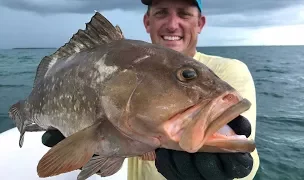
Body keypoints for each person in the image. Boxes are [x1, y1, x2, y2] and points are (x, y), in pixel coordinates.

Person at [42, 0, 260, 179]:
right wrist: (89, 153)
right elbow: (112, 163)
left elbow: (245, 155)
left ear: (200, 23)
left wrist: (226, 169)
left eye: (184, 14)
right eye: (161, 13)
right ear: (147, 22)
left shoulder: (231, 70)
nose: (172, 24)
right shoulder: (119, 67)